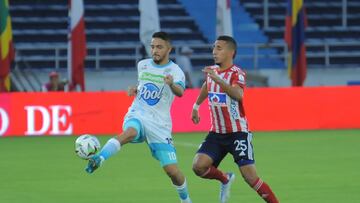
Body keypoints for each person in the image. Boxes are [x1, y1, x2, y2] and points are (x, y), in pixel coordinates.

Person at [85, 32, 192, 203]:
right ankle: (100, 157)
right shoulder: (142, 65)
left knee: (172, 171)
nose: (154, 50)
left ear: (169, 49)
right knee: (130, 131)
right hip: (138, 113)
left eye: (159, 47)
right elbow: (143, 85)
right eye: (152, 46)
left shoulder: (176, 71)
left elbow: (180, 92)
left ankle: (186, 200)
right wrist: (135, 90)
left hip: (160, 124)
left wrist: (171, 83)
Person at [191, 35, 279, 203]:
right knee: (198, 166)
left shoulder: (236, 73)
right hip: (216, 133)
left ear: (231, 52)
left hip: (238, 133)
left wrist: (218, 79)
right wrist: (196, 106)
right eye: (214, 48)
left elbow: (238, 94)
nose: (214, 52)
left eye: (219, 48)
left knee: (250, 178)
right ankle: (225, 179)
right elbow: (206, 85)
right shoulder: (212, 71)